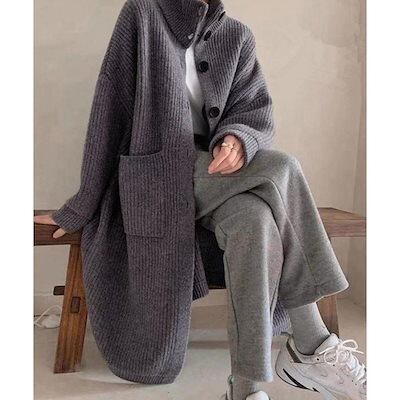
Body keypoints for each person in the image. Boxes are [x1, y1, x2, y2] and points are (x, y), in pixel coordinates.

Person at [34, 1, 366, 399]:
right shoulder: (143, 14)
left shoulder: (237, 36)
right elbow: (111, 106)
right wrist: (82, 204)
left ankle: (245, 389)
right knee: (284, 168)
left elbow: (255, 110)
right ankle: (311, 342)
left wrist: (238, 139)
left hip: (215, 172)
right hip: (157, 176)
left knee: (256, 221)